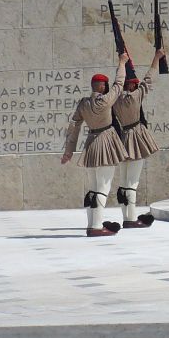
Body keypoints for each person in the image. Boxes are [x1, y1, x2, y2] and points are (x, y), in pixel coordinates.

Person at [61, 54, 131, 237]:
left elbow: (74, 125)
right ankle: (97, 226)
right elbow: (119, 84)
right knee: (103, 187)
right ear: (101, 86)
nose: (106, 87)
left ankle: (91, 224)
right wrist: (122, 63)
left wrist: (69, 151)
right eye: (104, 85)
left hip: (91, 145)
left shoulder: (83, 103)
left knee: (93, 188)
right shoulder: (105, 100)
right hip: (106, 143)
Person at [112, 49, 164, 229]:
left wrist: (121, 63)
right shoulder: (135, 98)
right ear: (132, 85)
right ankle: (131, 219)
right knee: (132, 182)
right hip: (135, 137)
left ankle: (126, 216)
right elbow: (150, 78)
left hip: (123, 138)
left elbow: (119, 83)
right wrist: (157, 58)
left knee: (124, 181)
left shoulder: (115, 100)